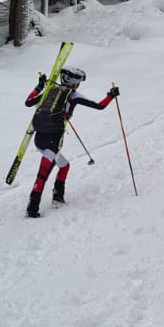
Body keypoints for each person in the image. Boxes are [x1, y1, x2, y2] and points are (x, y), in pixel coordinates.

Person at [24, 66, 119, 218]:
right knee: (42, 175)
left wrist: (39, 86)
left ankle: (58, 197)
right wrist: (111, 95)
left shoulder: (50, 90)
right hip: (52, 139)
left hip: (39, 138)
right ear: (75, 83)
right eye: (79, 82)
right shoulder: (74, 95)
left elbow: (28, 102)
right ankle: (32, 209)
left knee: (64, 165)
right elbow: (100, 106)